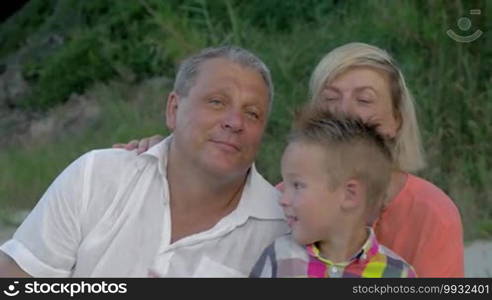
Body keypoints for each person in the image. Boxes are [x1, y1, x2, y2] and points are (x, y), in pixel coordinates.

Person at [119, 43, 464, 277]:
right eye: (331, 98)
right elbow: (222, 195)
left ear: (397, 119)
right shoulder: (284, 202)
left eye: (364, 99)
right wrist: (165, 150)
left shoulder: (430, 217)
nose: (345, 110)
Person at [0, 46, 289, 277]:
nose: (234, 122)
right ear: (174, 109)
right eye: (217, 102)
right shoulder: (97, 176)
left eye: (252, 113)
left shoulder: (282, 230)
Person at [250, 107, 416, 278]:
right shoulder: (279, 258)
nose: (283, 199)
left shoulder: (398, 274)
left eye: (297, 185)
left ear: (350, 195)